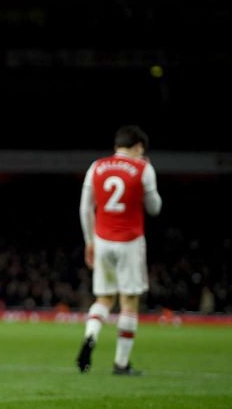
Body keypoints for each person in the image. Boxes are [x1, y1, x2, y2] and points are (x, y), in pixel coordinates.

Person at [76, 125, 162, 375]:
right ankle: (121, 364)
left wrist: (89, 241)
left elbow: (85, 209)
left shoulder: (96, 167)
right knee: (129, 302)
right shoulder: (143, 168)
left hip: (102, 241)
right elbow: (155, 207)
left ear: (117, 146)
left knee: (103, 298)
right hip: (130, 242)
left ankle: (91, 335)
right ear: (138, 147)